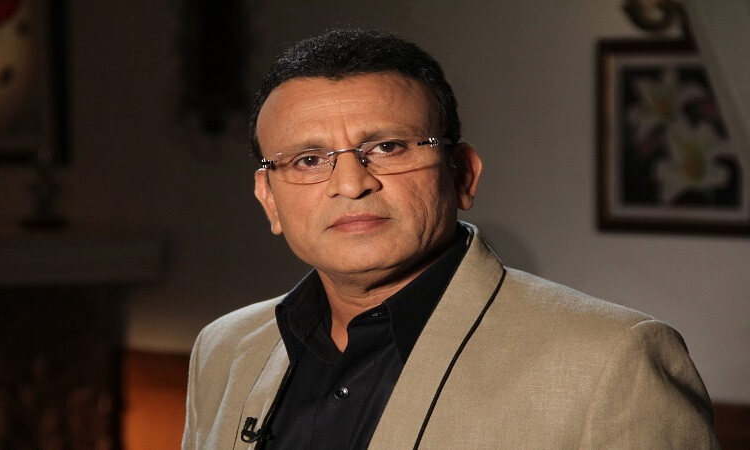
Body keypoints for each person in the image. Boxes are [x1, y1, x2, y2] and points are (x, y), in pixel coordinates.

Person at [182, 29, 718, 449]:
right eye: (307, 160)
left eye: (388, 147)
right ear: (269, 199)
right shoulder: (223, 349)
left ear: (463, 174)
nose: (350, 184)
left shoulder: (613, 361)